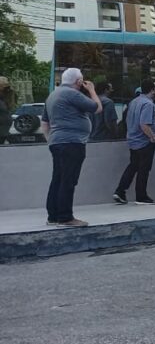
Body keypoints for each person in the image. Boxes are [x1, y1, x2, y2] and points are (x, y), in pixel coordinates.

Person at [41, 68, 101, 227]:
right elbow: (97, 107)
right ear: (79, 82)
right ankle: (65, 217)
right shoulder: (72, 94)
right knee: (68, 180)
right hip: (72, 143)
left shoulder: (52, 95)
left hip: (57, 142)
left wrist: (51, 140)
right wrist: (92, 90)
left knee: (58, 178)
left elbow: (44, 123)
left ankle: (53, 216)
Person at [114, 80, 155, 205]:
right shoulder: (148, 104)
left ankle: (120, 191)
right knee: (144, 169)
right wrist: (152, 137)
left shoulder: (134, 102)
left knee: (133, 166)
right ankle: (141, 196)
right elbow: (144, 124)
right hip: (144, 141)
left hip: (132, 139)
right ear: (152, 89)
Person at [0, 76, 14, 145]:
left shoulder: (4, 98)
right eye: (5, 87)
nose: (7, 89)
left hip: (4, 132)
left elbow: (10, 107)